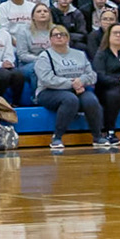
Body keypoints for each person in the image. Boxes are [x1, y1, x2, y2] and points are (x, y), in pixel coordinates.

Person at [33, 24, 108, 152]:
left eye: (62, 34)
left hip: (78, 89)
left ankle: (98, 136)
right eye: (55, 35)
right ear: (50, 39)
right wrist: (71, 83)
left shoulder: (80, 54)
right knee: (70, 99)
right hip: (49, 91)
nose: (59, 37)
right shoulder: (44, 56)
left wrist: (81, 81)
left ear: (68, 38)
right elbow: (47, 79)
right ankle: (57, 137)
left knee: (91, 100)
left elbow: (92, 75)